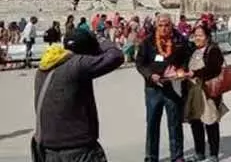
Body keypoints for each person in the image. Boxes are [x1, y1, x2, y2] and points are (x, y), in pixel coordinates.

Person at [32, 29, 124, 161]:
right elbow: (116, 56)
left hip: (48, 149)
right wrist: (100, 39)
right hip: (77, 148)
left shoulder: (45, 66)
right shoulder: (78, 64)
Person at [136, 13, 191, 162]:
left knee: (175, 123)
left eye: (167, 25)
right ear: (156, 26)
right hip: (153, 88)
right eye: (160, 25)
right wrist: (150, 75)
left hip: (172, 86)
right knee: (152, 123)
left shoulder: (179, 40)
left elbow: (187, 57)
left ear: (171, 25)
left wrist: (180, 69)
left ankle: (177, 156)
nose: (164, 28)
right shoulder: (147, 42)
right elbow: (140, 63)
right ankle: (151, 156)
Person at [185, 24, 227, 162]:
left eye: (200, 35)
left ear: (207, 37)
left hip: (208, 92)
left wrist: (195, 73)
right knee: (196, 122)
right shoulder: (193, 51)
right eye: (195, 35)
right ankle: (199, 152)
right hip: (193, 92)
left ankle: (214, 154)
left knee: (210, 121)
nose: (197, 38)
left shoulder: (213, 50)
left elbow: (213, 69)